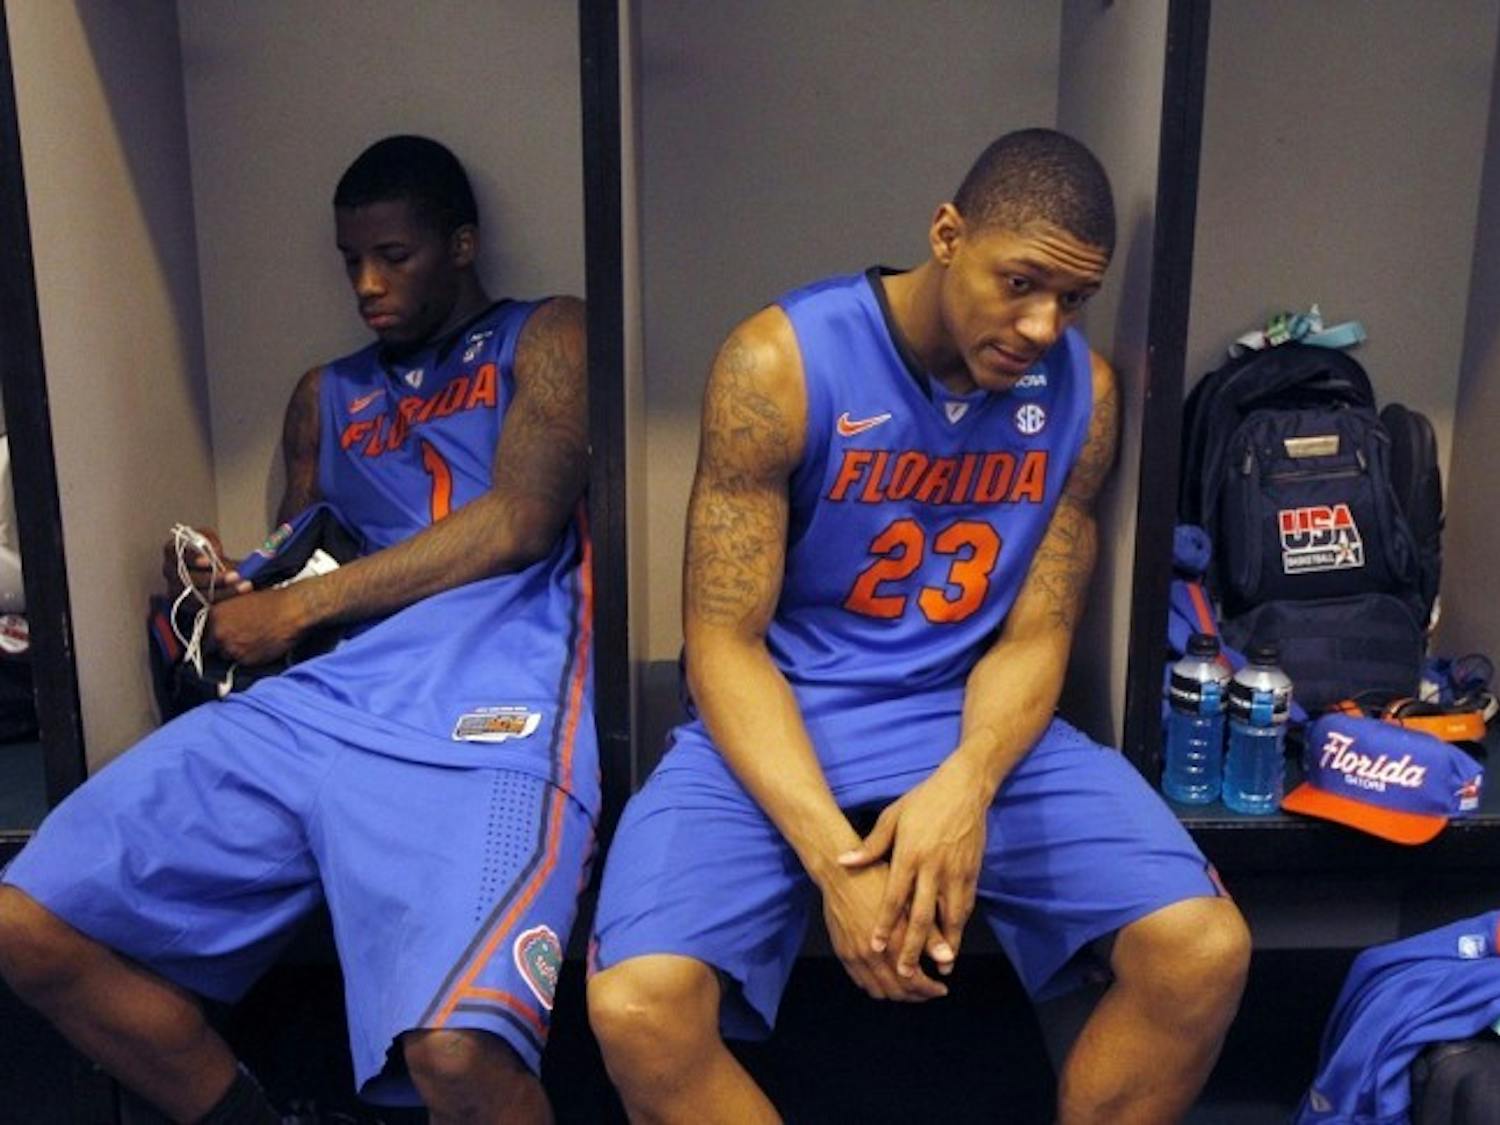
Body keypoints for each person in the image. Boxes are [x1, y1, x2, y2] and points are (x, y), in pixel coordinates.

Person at [586, 128, 1250, 1123]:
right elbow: (723, 644)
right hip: (777, 721)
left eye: (1071, 300)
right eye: (1020, 282)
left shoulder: (1085, 396)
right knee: (638, 1007)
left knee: (1203, 950)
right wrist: (835, 865)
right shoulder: (780, 363)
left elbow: (1035, 636)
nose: (1041, 326)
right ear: (947, 234)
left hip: (964, 717)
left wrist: (968, 784)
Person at [0, 135, 593, 1125]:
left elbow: (523, 520)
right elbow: (301, 551)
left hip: (485, 710)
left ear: (460, 245)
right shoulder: (326, 394)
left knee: (456, 1056)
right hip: (312, 709)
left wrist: (299, 607)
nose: (366, 284)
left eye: (393, 257)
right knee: (26, 923)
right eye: (349, 261)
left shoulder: (550, 334)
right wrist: (235, 581)